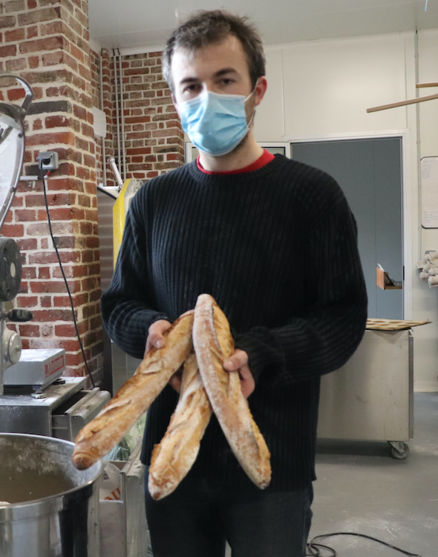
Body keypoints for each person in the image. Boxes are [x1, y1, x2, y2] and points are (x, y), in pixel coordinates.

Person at [100, 10, 368, 557]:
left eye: (224, 81)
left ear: (256, 90)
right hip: (171, 459)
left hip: (271, 453)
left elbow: (341, 318)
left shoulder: (312, 197)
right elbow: (120, 302)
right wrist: (150, 331)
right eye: (190, 86)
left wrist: (262, 352)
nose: (206, 99)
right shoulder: (153, 201)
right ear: (175, 100)